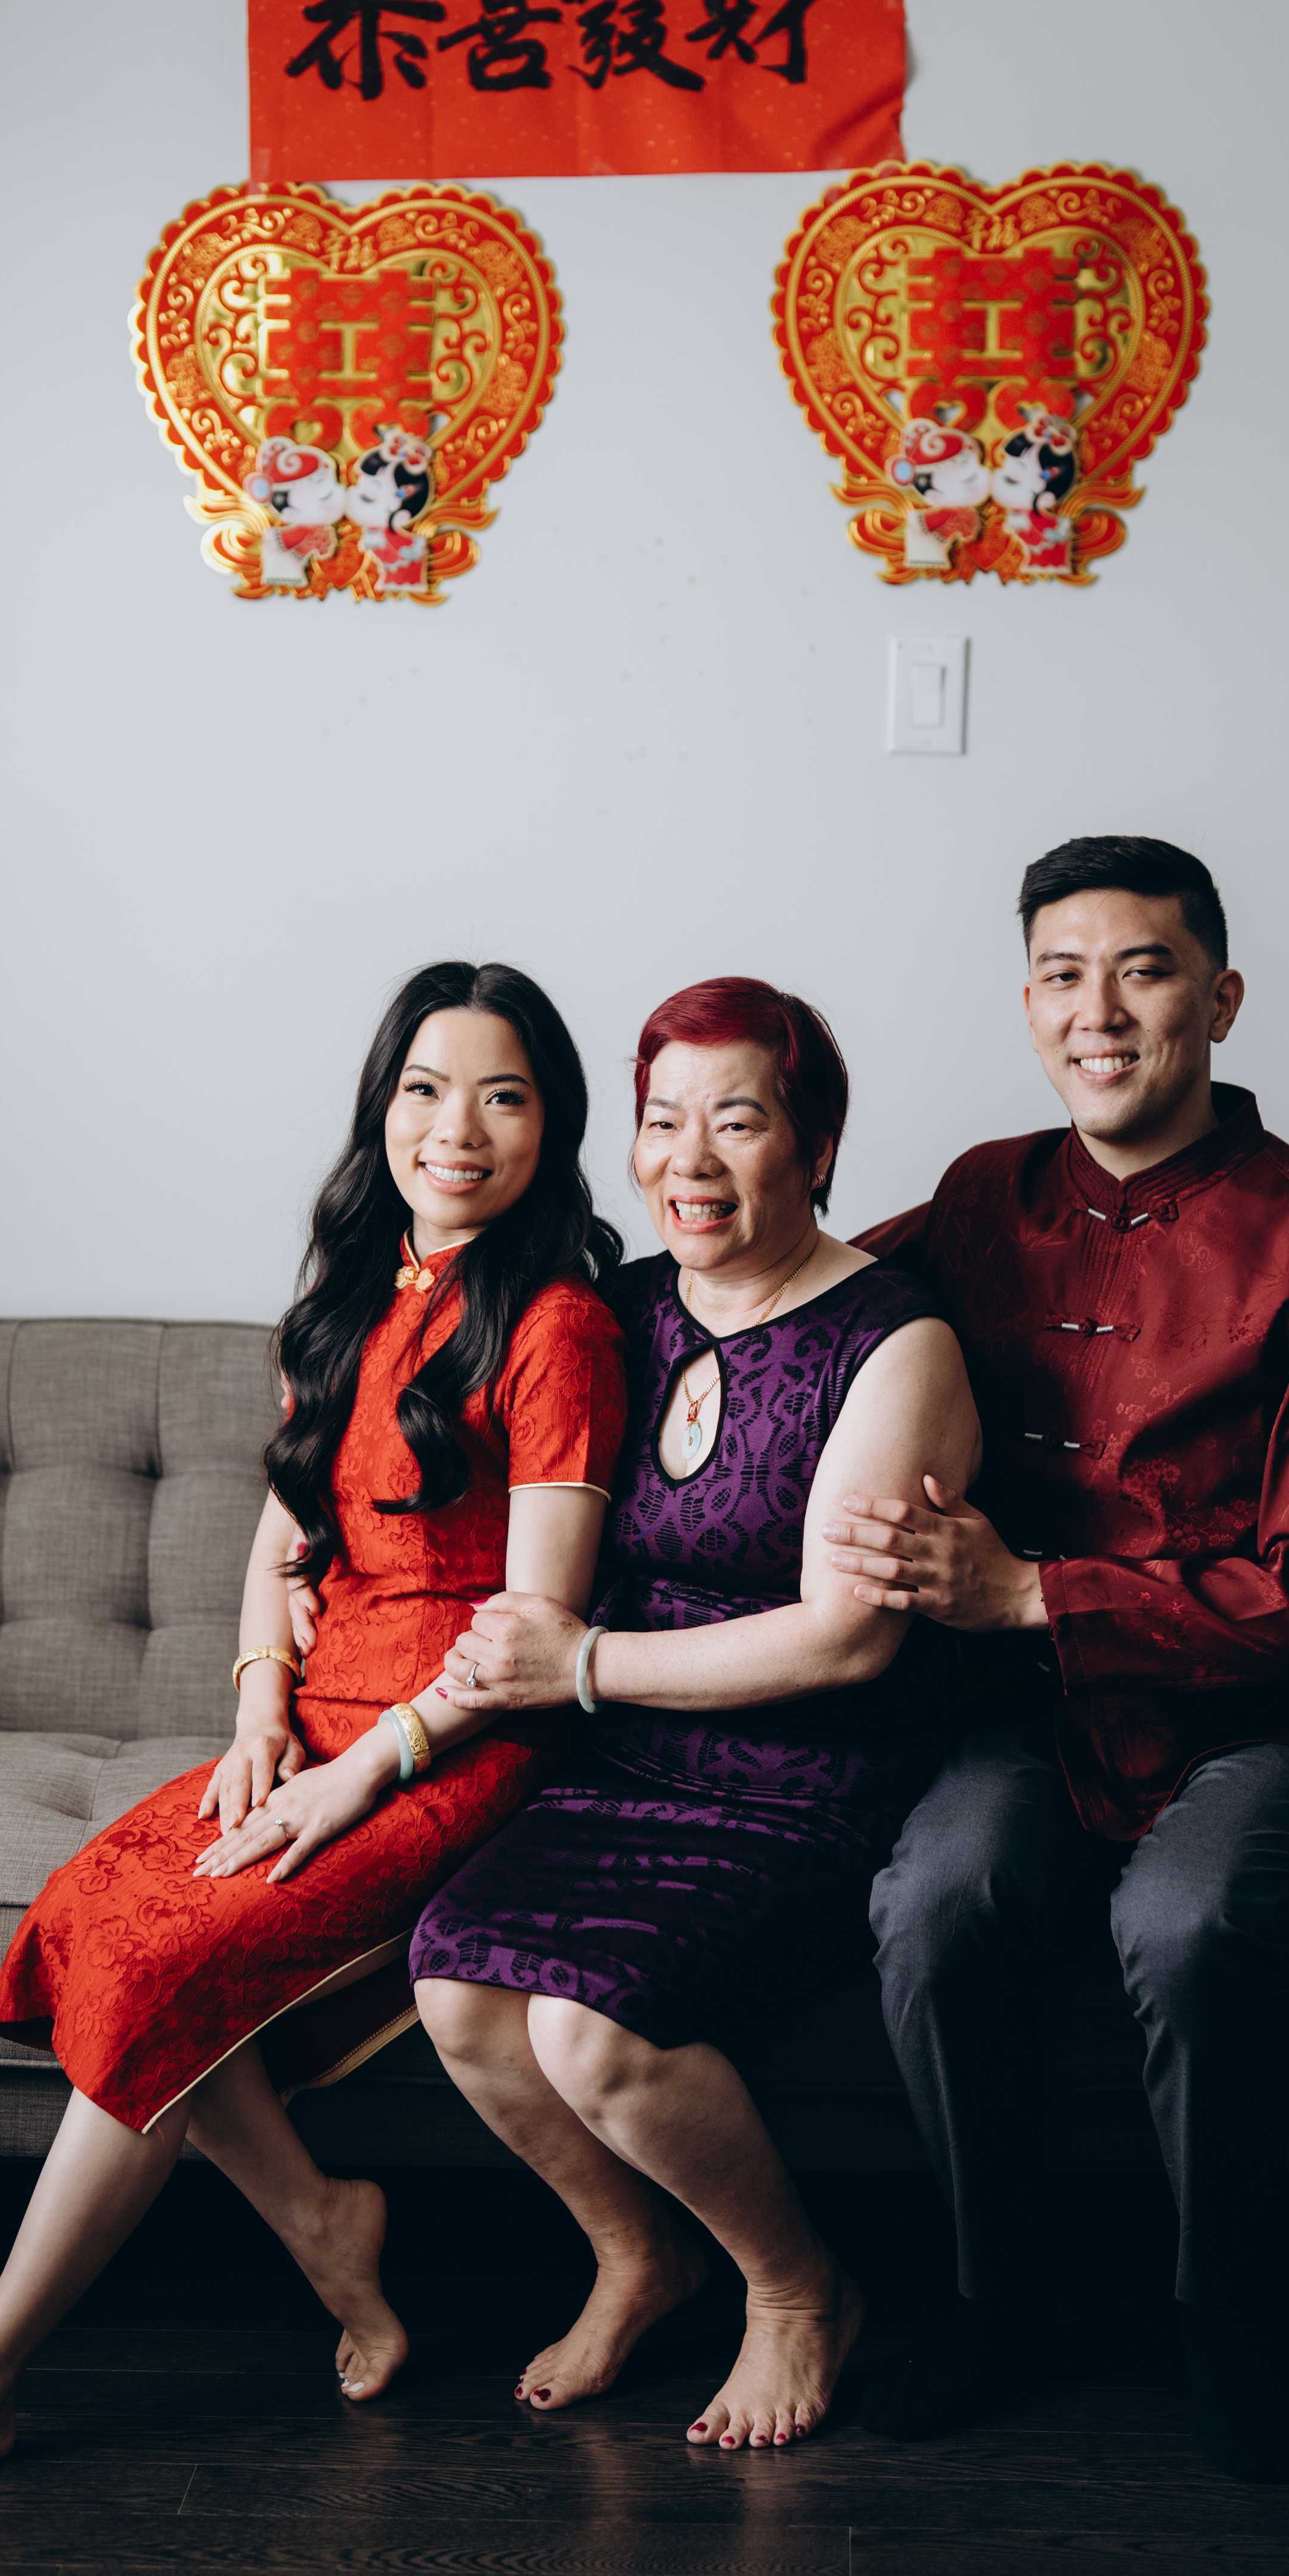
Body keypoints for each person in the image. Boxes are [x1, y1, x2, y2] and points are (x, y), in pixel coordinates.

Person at [0, 960, 627, 2510]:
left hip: (458, 1744)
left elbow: (535, 1630)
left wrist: (359, 1774)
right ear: (380, 1109)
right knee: (90, 1921)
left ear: (550, 1127)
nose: (457, 1128)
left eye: (503, 1096)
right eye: (425, 1089)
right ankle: (323, 2219)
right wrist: (255, 1706)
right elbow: (285, 1532)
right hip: (319, 1719)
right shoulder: (354, 1300)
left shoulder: (557, 1323)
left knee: (165, 1968)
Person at [826, 837, 1289, 2478]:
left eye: (1142, 971)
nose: (1096, 1012)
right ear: (1025, 1003)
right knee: (933, 1901)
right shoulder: (981, 1196)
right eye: (1059, 975)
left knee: (1183, 1922)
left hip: (1272, 1730)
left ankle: (1224, 2313)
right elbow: (799, 1296)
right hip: (1028, 1727)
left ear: (1218, 1001)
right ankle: (991, 2296)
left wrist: (1037, 1595)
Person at [411, 977, 978, 2453]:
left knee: (587, 2031)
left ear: (818, 1145)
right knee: (456, 1994)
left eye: (737, 1121)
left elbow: (849, 1637)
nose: (690, 1160)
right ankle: (637, 2256)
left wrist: (580, 1666)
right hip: (619, 1768)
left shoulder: (892, 1340)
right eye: (663, 1122)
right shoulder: (620, 1313)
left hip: (807, 1785)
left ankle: (797, 2292)